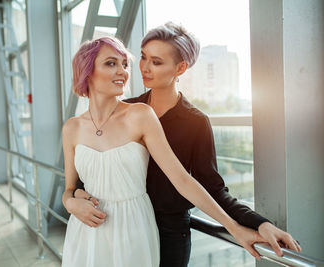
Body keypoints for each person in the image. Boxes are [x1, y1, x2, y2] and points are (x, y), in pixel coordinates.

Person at [70, 23, 302, 267]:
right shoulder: (124, 111)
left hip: (171, 233)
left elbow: (212, 187)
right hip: (118, 226)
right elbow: (92, 170)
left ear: (180, 68)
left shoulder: (195, 122)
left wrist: (259, 223)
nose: (144, 68)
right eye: (143, 57)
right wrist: (74, 196)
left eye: (157, 62)